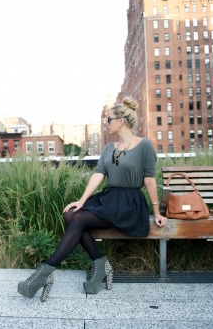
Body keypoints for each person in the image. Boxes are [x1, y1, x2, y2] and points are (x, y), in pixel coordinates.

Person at [17, 97, 168, 302]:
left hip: (129, 203)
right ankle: (100, 264)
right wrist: (81, 200)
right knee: (71, 213)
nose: (108, 123)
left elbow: (150, 180)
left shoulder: (144, 146)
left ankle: (44, 274)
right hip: (109, 197)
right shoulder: (109, 148)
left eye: (109, 119)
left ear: (121, 120)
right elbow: (98, 174)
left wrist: (157, 212)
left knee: (78, 220)